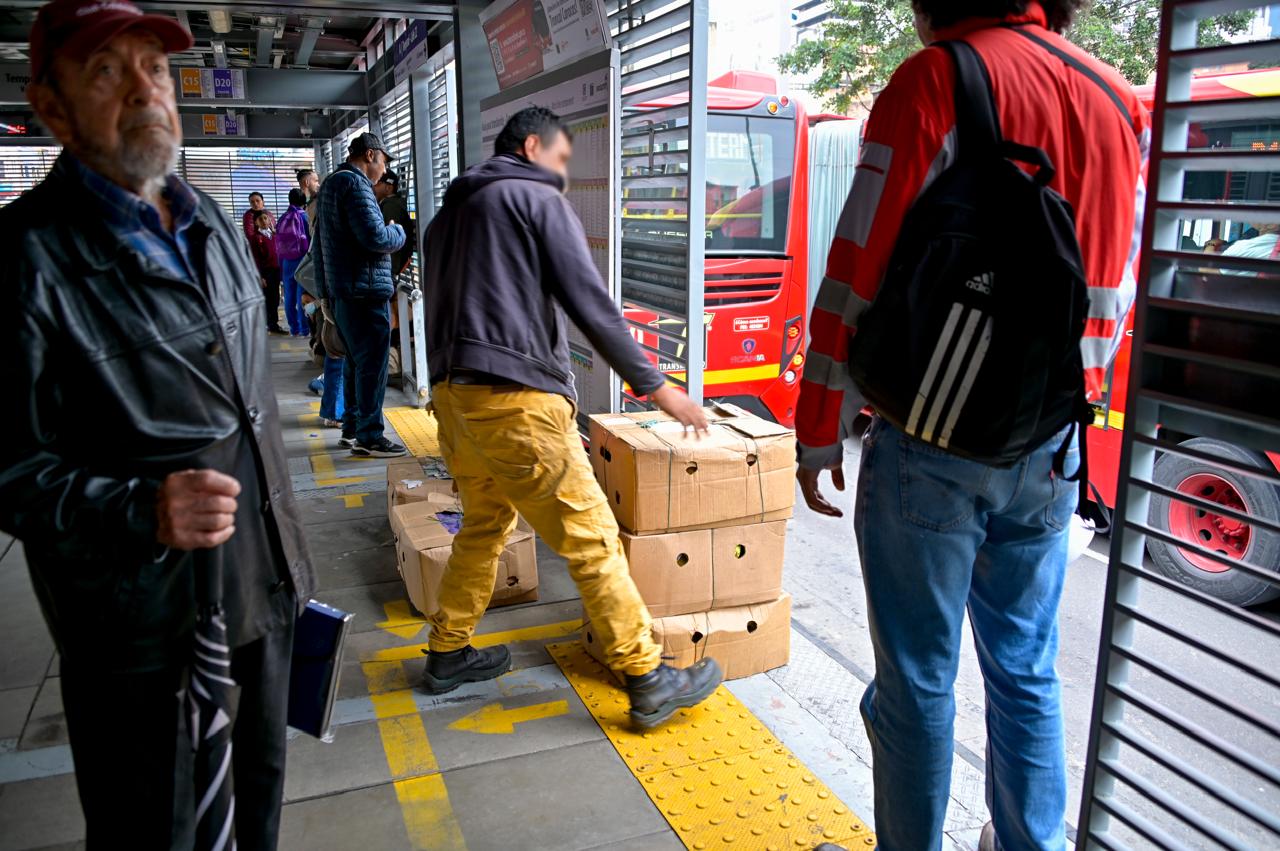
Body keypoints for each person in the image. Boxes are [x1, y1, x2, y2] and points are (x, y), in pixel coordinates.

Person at [795, 3, 1149, 850]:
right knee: (1025, 667)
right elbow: (1119, 283)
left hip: (933, 438)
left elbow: (856, 265)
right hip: (1054, 439)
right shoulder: (1117, 99)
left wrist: (819, 424)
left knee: (917, 680)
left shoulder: (937, 78)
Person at [2, 1, 316, 847]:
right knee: (158, 829)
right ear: (51, 106)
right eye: (107, 71)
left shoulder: (209, 221)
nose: (145, 91)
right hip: (142, 631)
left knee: (255, 810)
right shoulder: (25, 259)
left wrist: (289, 569)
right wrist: (137, 508)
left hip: (261, 588)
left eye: (156, 68)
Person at [421, 106, 723, 728]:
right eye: (561, 159)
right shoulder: (533, 197)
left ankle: (448, 651)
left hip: (454, 399)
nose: (562, 174)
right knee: (591, 537)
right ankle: (647, 676)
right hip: (515, 400)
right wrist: (658, 387)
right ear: (533, 146)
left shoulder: (448, 217)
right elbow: (590, 301)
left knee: (484, 525)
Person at [315, 132, 407, 457]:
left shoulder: (331, 184)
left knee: (355, 364)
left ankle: (352, 429)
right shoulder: (356, 185)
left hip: (343, 292)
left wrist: (325, 295)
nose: (384, 171)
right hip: (365, 292)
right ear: (370, 155)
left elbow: (319, 247)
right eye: (383, 162)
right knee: (373, 367)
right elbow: (376, 237)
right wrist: (397, 230)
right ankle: (371, 436)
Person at [276, 187, 311, 336]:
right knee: (301, 294)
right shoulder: (305, 217)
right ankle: (304, 328)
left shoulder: (283, 218)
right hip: (302, 259)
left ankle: (293, 328)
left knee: (289, 295)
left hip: (286, 261)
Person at [249, 209, 286, 334]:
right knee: (269, 299)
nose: (264, 221)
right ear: (256, 223)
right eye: (260, 219)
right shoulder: (255, 238)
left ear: (270, 220)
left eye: (266, 218)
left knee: (276, 298)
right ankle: (271, 325)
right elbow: (255, 259)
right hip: (266, 272)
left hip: (277, 270)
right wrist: (260, 276)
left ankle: (272, 323)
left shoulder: (274, 235)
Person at [374, 168, 415, 281]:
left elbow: (392, 244)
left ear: (388, 187)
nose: (373, 186)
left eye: (377, 183)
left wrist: (390, 273)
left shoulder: (390, 207)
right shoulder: (390, 205)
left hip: (387, 273)